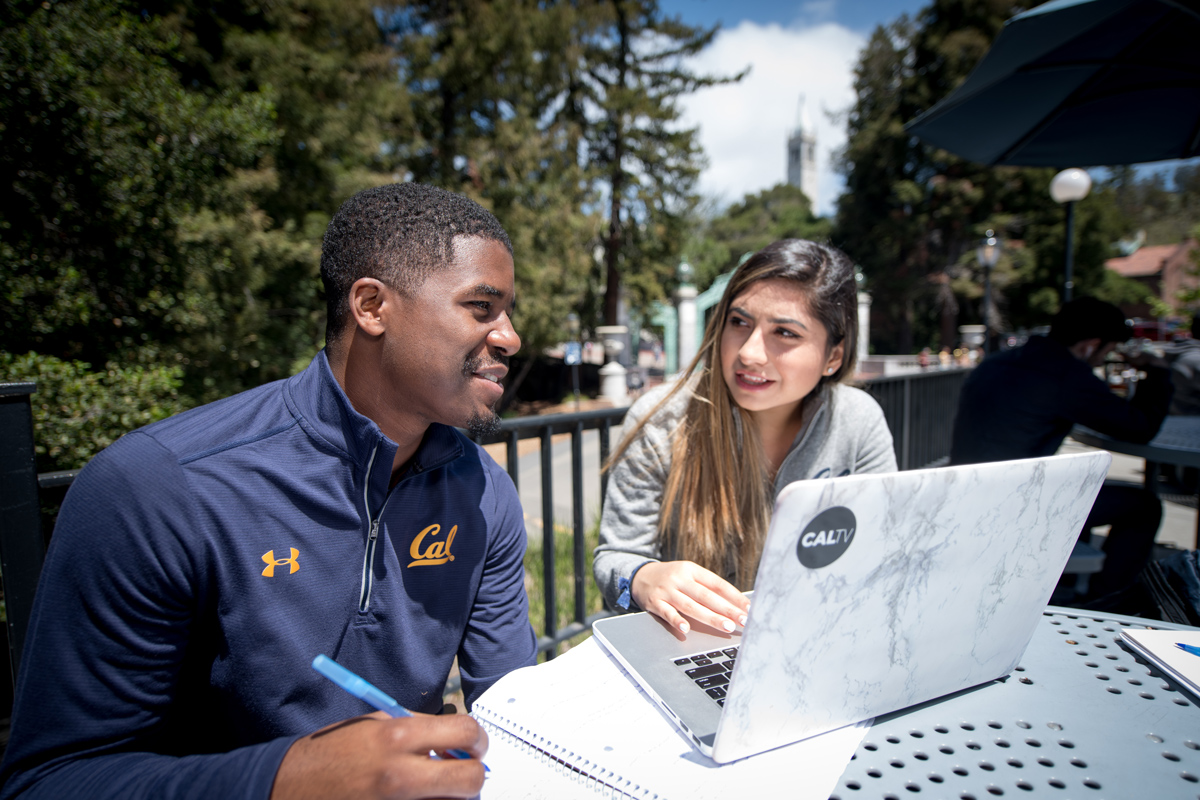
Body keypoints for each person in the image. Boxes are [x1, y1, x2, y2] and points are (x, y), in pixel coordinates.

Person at [0, 183, 537, 800]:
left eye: (508, 312)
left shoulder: (483, 491)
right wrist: (286, 780)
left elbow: (512, 713)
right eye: (481, 308)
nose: (510, 337)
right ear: (371, 306)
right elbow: (47, 782)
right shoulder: (157, 487)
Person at [593, 240, 897, 636]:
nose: (750, 352)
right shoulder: (662, 419)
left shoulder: (858, 422)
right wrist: (642, 578)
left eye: (785, 333)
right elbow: (614, 560)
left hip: (817, 640)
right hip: (693, 645)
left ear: (833, 357)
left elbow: (886, 556)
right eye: (739, 322)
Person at [949, 296, 1173, 601]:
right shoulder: (1066, 375)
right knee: (1145, 505)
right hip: (1014, 503)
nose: (1104, 360)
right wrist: (1158, 372)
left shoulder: (1000, 360)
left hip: (966, 494)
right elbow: (1139, 427)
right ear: (1091, 345)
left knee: (1077, 488)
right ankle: (1107, 600)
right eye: (1107, 352)